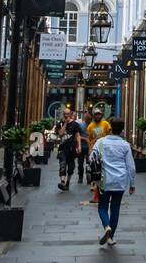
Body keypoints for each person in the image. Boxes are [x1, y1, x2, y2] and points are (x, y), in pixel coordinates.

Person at [90, 116, 136, 247]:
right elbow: (131, 166)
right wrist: (132, 184)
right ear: (122, 130)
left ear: (110, 128)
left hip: (105, 180)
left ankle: (106, 226)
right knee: (115, 208)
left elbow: (92, 158)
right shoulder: (125, 145)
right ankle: (111, 237)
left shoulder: (100, 142)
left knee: (102, 207)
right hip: (120, 181)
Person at [86, 106, 112, 203]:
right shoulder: (90, 126)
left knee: (104, 172)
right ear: (93, 116)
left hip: (105, 150)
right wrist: (90, 151)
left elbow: (110, 135)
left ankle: (101, 195)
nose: (97, 116)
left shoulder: (105, 124)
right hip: (95, 150)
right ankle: (97, 195)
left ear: (101, 115)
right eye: (96, 114)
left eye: (99, 114)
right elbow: (89, 140)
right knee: (96, 172)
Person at [57, 118, 81, 191]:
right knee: (62, 165)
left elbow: (77, 135)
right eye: (64, 114)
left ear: (70, 115)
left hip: (72, 149)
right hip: (62, 149)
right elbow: (60, 134)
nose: (66, 116)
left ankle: (68, 182)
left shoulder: (75, 125)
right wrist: (65, 124)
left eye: (67, 114)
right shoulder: (60, 124)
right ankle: (62, 182)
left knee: (71, 168)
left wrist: (79, 146)